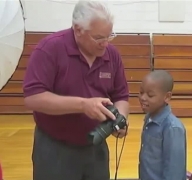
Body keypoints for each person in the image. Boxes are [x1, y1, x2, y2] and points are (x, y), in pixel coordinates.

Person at [22, 1, 129, 180]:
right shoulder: (49, 49)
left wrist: (121, 119)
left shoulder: (112, 55)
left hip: (96, 146)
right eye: (99, 37)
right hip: (55, 148)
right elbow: (33, 98)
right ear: (78, 29)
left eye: (109, 36)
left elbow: (121, 95)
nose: (105, 43)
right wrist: (82, 105)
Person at [138, 70, 187, 180]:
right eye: (141, 92)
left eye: (150, 95)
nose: (143, 98)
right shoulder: (149, 118)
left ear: (167, 97)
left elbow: (174, 171)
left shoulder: (172, 128)